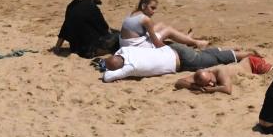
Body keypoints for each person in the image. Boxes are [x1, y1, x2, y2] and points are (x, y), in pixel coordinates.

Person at [100, 40, 251, 82]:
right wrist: (109, 61)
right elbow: (117, 55)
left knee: (210, 60)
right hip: (172, 48)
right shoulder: (126, 51)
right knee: (204, 55)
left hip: (183, 61)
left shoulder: (130, 68)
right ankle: (226, 48)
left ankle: (247, 54)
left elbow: (107, 77)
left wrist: (110, 70)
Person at [53, 0, 118, 57]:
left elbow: (65, 27)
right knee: (119, 36)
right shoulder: (92, 8)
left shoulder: (71, 6)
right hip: (90, 50)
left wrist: (57, 47)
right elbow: (103, 28)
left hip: (75, 48)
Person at [119, 0, 205, 49]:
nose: (154, 11)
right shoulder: (145, 19)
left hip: (125, 44)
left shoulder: (132, 14)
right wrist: (167, 50)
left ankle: (187, 39)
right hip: (136, 47)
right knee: (169, 30)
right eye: (152, 8)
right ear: (143, 6)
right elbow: (156, 43)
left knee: (161, 25)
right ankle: (196, 42)